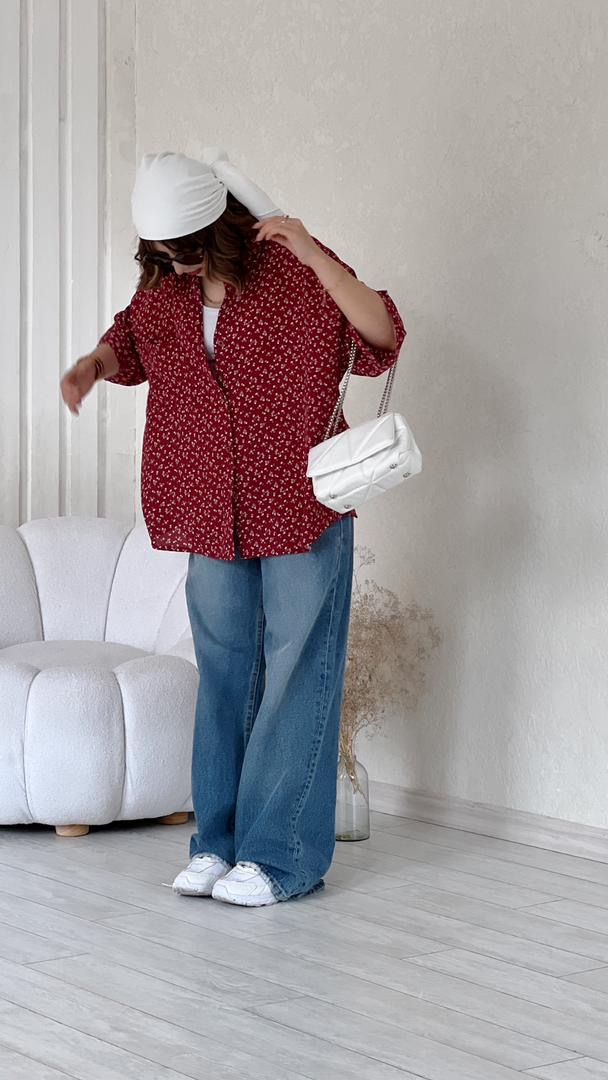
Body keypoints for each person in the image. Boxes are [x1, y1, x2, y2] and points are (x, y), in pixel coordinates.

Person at [60, 148, 407, 906]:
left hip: (299, 500)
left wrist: (311, 249)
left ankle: (280, 858)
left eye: (182, 250)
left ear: (217, 229)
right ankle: (216, 844)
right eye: (159, 254)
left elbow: (382, 336)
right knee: (221, 674)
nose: (173, 265)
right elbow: (130, 339)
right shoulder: (164, 286)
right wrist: (94, 364)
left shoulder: (291, 266)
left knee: (297, 671)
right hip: (205, 502)